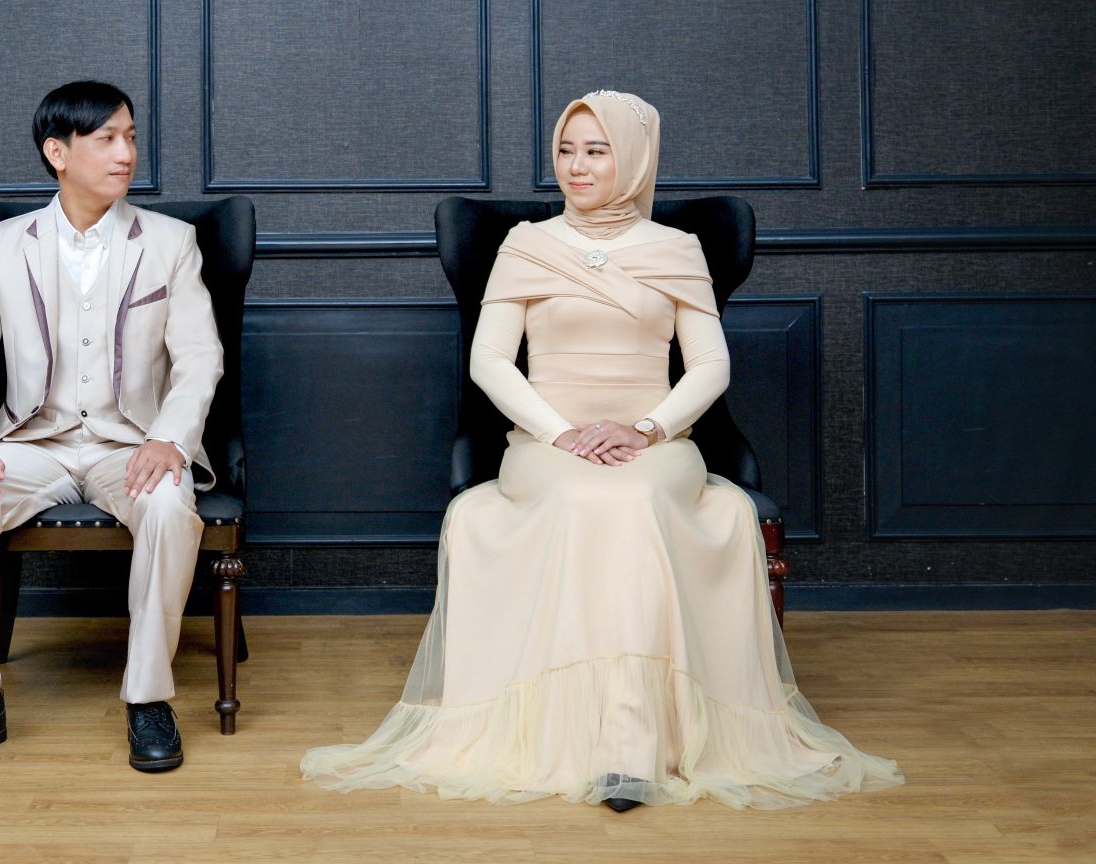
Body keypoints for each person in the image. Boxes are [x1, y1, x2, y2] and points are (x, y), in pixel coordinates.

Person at [302, 90, 902, 810]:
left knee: (636, 496)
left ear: (636, 159)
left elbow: (710, 365)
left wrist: (645, 429)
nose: (576, 167)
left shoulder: (677, 250)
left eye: (597, 150)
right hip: (545, 441)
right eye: (566, 150)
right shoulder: (526, 245)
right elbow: (490, 360)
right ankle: (569, 737)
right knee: (581, 494)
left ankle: (632, 748)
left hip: (656, 442)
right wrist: (559, 432)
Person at [0, 80, 222, 774]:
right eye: (107, 139)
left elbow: (200, 356)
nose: (126, 153)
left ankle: (149, 698)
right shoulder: (3, 246)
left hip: (131, 443)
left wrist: (169, 439)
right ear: (58, 153)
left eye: (131, 137)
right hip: (34, 443)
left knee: (169, 505)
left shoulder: (171, 242)